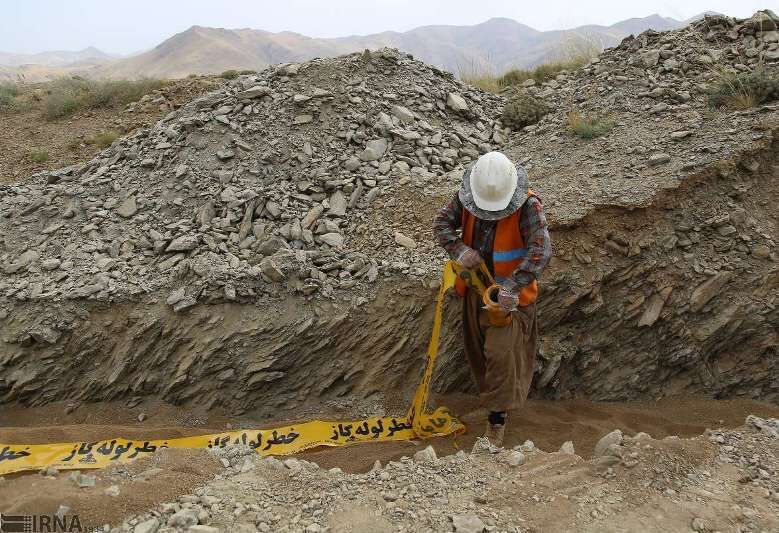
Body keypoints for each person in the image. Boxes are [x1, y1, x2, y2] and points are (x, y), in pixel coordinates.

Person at [432, 151, 552, 447]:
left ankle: (497, 422)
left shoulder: (528, 207)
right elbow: (441, 225)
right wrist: (460, 250)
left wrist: (512, 286)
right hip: (474, 290)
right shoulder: (468, 195)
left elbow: (541, 251)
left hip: (509, 299)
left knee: (500, 355)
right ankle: (491, 403)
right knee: (479, 354)